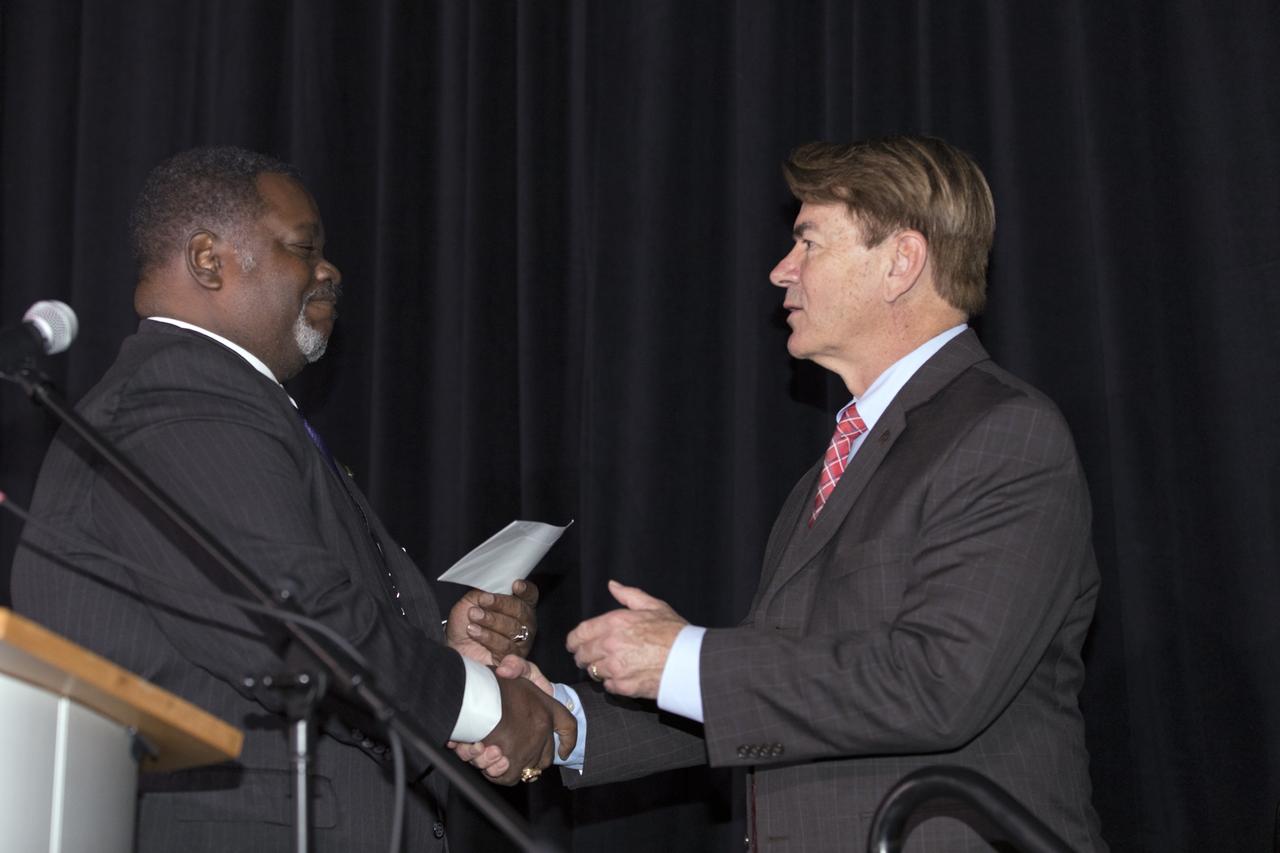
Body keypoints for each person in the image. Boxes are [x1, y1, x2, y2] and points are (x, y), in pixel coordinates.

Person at [458, 136, 1108, 851]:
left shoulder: (1006, 434)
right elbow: (794, 688)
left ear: (902, 262)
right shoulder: (833, 467)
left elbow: (938, 683)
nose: (779, 271)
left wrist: (685, 658)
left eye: (808, 242)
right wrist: (565, 724)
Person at [9, 146, 574, 851]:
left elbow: (296, 606)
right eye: (303, 248)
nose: (329, 270)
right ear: (210, 260)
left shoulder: (230, 402)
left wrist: (443, 643)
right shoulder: (179, 394)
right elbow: (292, 620)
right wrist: (483, 705)